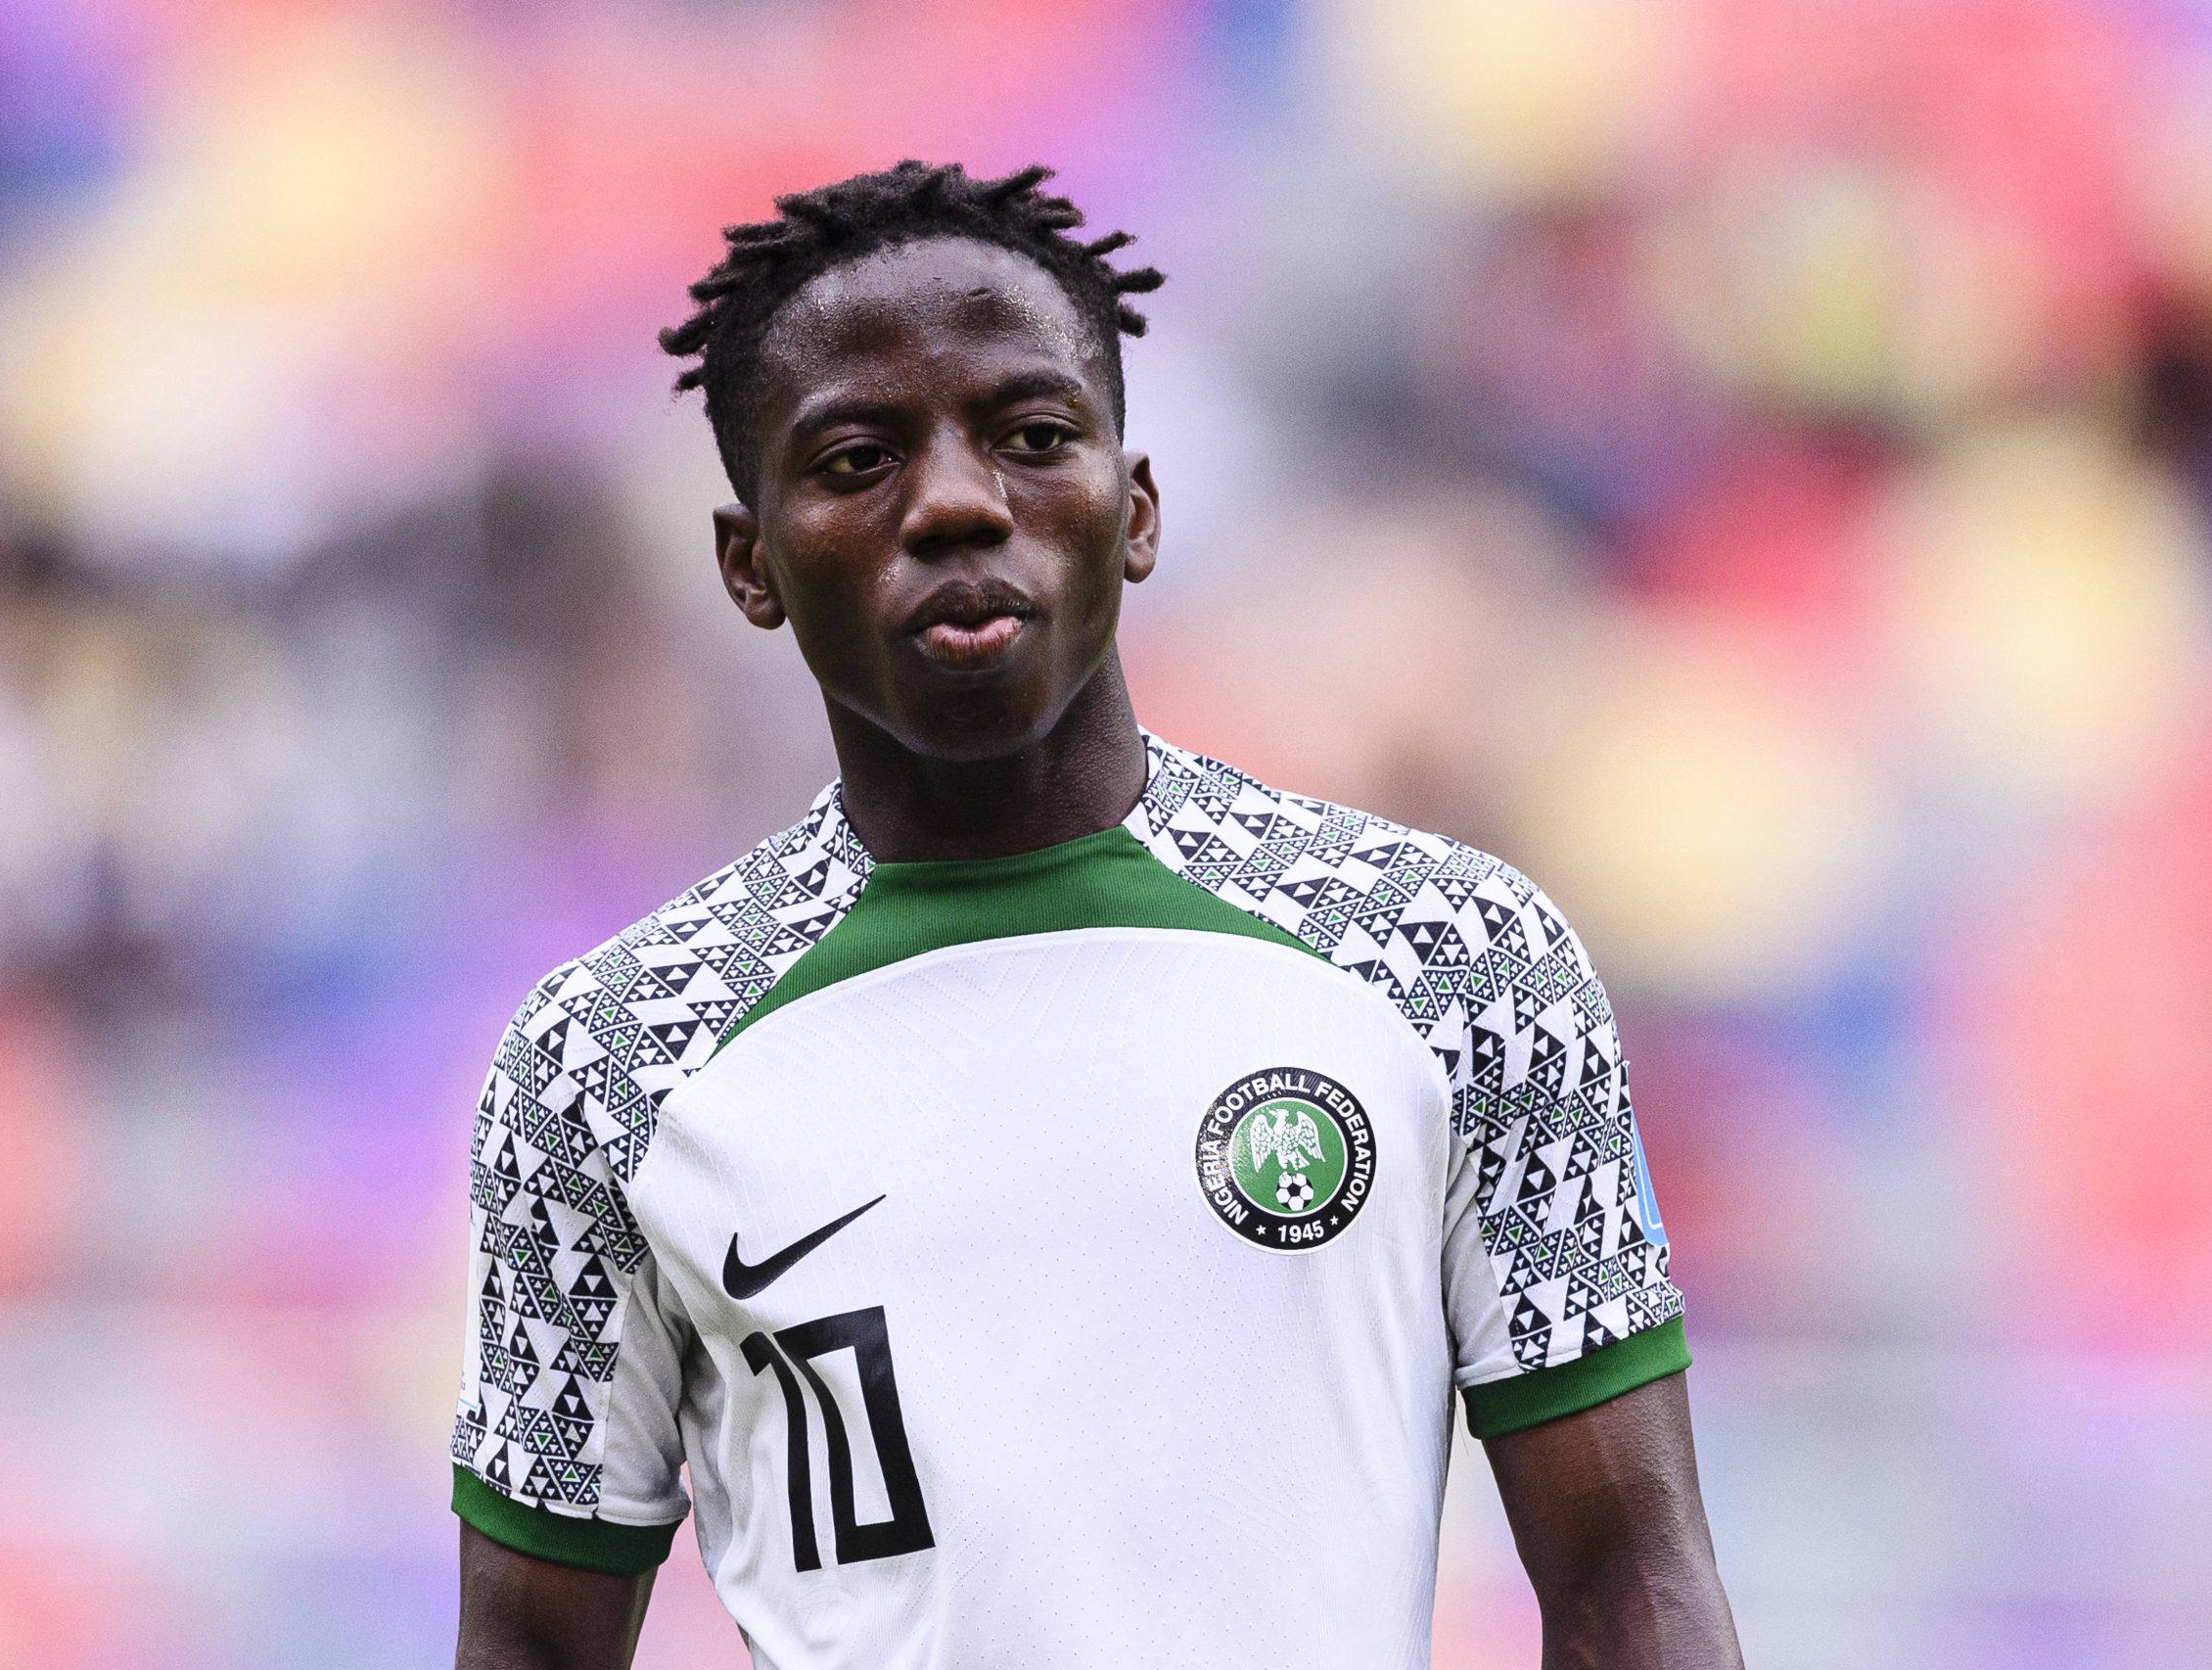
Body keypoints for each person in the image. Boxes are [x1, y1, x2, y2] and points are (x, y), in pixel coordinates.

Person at [451, 160, 1741, 1669]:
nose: (952, 502)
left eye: (1033, 435)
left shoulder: (1447, 957)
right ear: (751, 564)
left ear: (1133, 510)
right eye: (859, 458)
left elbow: (1627, 1571)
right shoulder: (611, 1062)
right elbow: (531, 1644)